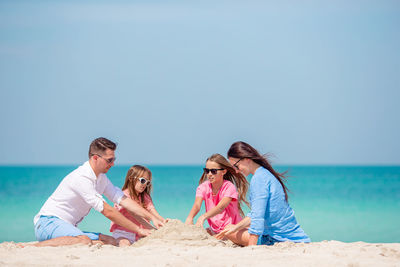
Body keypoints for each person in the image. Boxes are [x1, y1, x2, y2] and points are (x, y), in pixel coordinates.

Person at [32, 137, 164, 247]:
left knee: (111, 241)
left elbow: (123, 200)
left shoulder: (101, 179)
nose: (112, 164)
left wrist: (153, 218)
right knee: (84, 241)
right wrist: (138, 229)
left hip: (66, 226)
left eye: (114, 159)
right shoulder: (82, 178)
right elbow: (108, 211)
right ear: (95, 158)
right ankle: (31, 247)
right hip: (47, 223)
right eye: (109, 160)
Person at [215, 141, 310, 246]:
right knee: (230, 228)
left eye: (236, 166)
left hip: (276, 238)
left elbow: (257, 218)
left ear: (246, 159)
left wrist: (252, 248)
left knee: (228, 232)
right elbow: (255, 214)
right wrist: (236, 227)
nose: (237, 171)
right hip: (294, 235)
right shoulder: (265, 173)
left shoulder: (258, 179)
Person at [185, 154, 249, 235]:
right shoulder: (203, 187)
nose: (209, 174)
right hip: (216, 230)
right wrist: (190, 217)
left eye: (213, 171)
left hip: (233, 228)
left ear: (223, 171)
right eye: (207, 171)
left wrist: (203, 217)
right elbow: (197, 205)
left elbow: (220, 207)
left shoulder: (229, 187)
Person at [110, 165, 166, 246]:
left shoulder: (145, 196)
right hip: (124, 232)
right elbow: (135, 214)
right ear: (131, 179)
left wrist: (163, 221)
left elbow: (152, 211)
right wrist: (152, 229)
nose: (145, 184)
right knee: (124, 243)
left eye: (148, 182)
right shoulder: (123, 196)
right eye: (143, 180)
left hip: (141, 234)